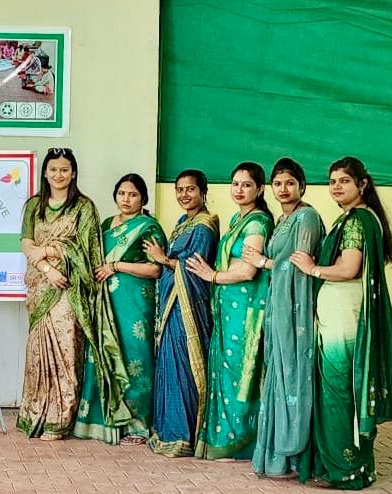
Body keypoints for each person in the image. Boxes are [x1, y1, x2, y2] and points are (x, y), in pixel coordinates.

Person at [294, 156, 392, 489]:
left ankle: (345, 469)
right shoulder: (362, 219)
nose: (336, 187)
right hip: (345, 316)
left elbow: (348, 269)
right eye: (332, 181)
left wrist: (311, 268)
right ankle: (360, 468)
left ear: (362, 185)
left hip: (344, 323)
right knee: (347, 392)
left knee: (338, 395)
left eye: (344, 181)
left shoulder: (356, 221)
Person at [17, 148, 130, 441]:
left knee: (66, 351)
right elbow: (26, 244)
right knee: (37, 352)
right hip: (42, 284)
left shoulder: (84, 207)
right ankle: (34, 414)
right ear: (45, 173)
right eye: (53, 169)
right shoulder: (33, 205)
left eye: (64, 170)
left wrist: (52, 251)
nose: (58, 175)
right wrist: (46, 267)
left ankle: (60, 418)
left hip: (70, 287)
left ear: (74, 173)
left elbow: (86, 247)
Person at [242, 158, 324, 477]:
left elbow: (300, 267)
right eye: (278, 183)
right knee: (278, 372)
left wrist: (264, 262)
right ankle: (279, 454)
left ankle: (297, 454)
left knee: (294, 372)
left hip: (297, 309)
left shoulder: (306, 218)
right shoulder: (282, 218)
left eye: (290, 183)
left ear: (301, 186)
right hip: (279, 306)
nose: (283, 189)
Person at [188, 162, 274, 461]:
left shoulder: (256, 223)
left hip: (246, 309)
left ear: (260, 189)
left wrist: (211, 275)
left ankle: (243, 442)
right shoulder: (240, 219)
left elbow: (248, 270)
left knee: (242, 370)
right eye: (235, 184)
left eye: (247, 185)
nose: (239, 190)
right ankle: (225, 438)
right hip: (228, 308)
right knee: (226, 370)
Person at [143, 169, 219, 457]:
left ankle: (183, 434)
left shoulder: (204, 226)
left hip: (187, 306)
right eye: (179, 189)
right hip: (171, 304)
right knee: (168, 366)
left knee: (183, 366)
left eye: (190, 189)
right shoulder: (181, 223)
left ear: (203, 192)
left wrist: (163, 259)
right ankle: (166, 431)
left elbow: (194, 267)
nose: (184, 195)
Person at [88, 174, 166, 445]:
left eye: (132, 194)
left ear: (143, 198)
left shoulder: (149, 227)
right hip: (106, 303)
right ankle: (106, 421)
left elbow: (155, 269)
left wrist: (117, 267)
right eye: (121, 193)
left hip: (134, 303)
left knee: (135, 357)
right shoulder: (107, 225)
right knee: (106, 354)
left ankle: (138, 424)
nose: (126, 199)